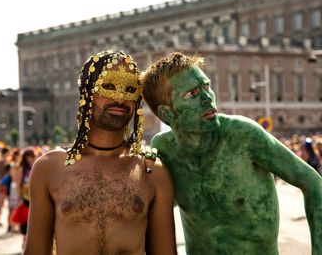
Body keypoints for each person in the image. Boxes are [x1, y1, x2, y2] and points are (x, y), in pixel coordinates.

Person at [141, 52, 322, 255]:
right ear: (167, 113)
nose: (207, 98)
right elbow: (154, 211)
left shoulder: (243, 135)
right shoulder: (164, 150)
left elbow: (312, 182)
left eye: (206, 86)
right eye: (191, 94)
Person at [24, 50, 176, 255]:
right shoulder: (49, 168)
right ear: (88, 94)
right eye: (109, 87)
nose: (120, 98)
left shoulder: (152, 171)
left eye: (130, 89)